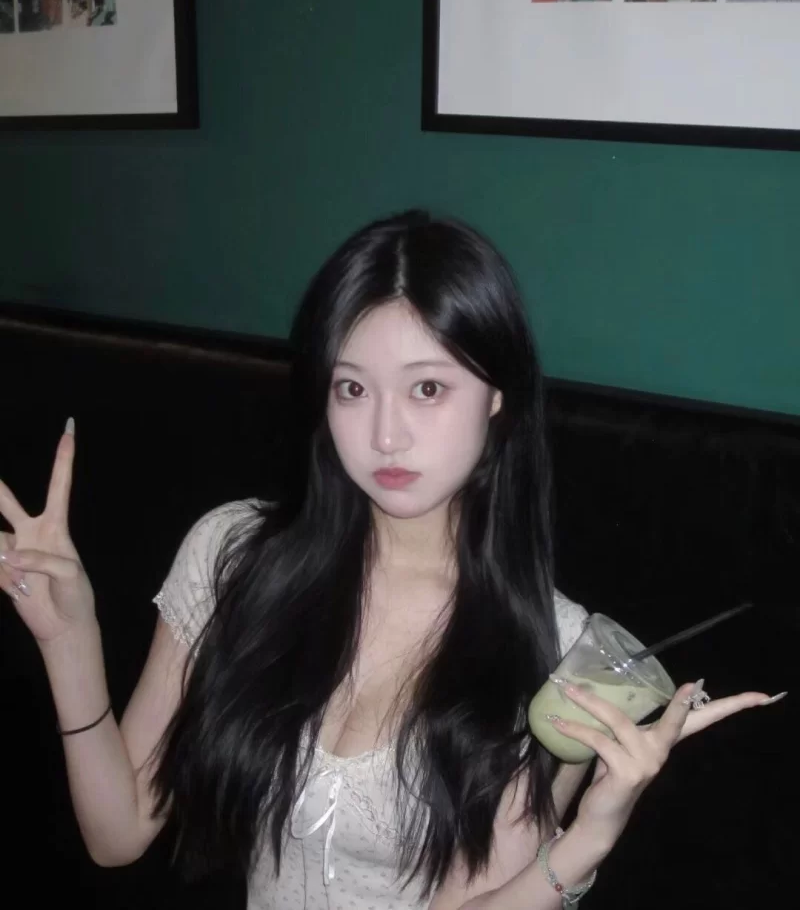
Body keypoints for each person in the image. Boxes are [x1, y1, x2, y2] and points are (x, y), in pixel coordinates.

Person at [0, 211, 784, 910]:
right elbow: (118, 834)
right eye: (352, 388)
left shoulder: (555, 649)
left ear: (498, 396)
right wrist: (68, 639)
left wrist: (587, 838)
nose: (384, 435)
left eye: (427, 389)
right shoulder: (233, 555)